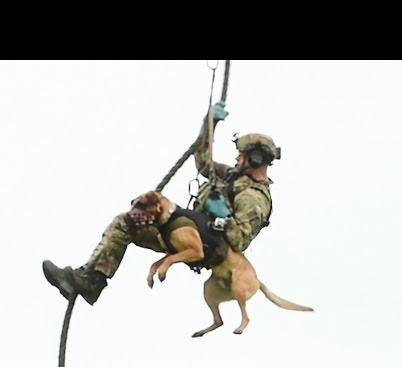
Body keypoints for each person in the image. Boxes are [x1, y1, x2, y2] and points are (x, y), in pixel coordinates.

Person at [42, 102, 281, 305]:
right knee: (125, 222)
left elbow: (240, 240)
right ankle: (91, 280)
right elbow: (203, 163)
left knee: (133, 221)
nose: (237, 158)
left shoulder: (254, 199)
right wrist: (209, 125)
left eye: (242, 155)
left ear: (256, 158)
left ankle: (88, 281)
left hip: (202, 247)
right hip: (184, 230)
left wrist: (223, 217)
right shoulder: (233, 176)